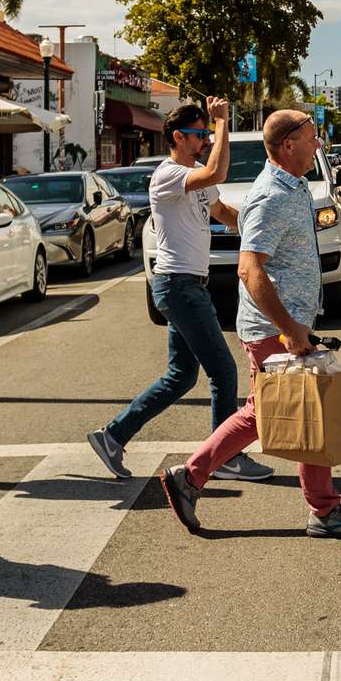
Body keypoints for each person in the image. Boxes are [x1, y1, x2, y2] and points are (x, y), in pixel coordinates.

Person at [158, 111, 341, 539]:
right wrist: (291, 330)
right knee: (299, 410)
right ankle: (322, 510)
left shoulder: (293, 186)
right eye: (312, 139)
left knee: (270, 412)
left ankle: (194, 477)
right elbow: (249, 269)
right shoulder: (272, 195)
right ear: (288, 145)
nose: (319, 146)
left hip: (286, 325)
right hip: (273, 329)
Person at [86, 98, 273, 484]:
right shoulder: (169, 174)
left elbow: (225, 214)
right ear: (177, 137)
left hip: (188, 285)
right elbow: (218, 172)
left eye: (207, 134)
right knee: (222, 370)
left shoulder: (195, 179)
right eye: (199, 135)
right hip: (179, 285)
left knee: (181, 376)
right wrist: (223, 124)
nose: (205, 140)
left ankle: (113, 436)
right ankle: (226, 456)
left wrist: (266, 235)